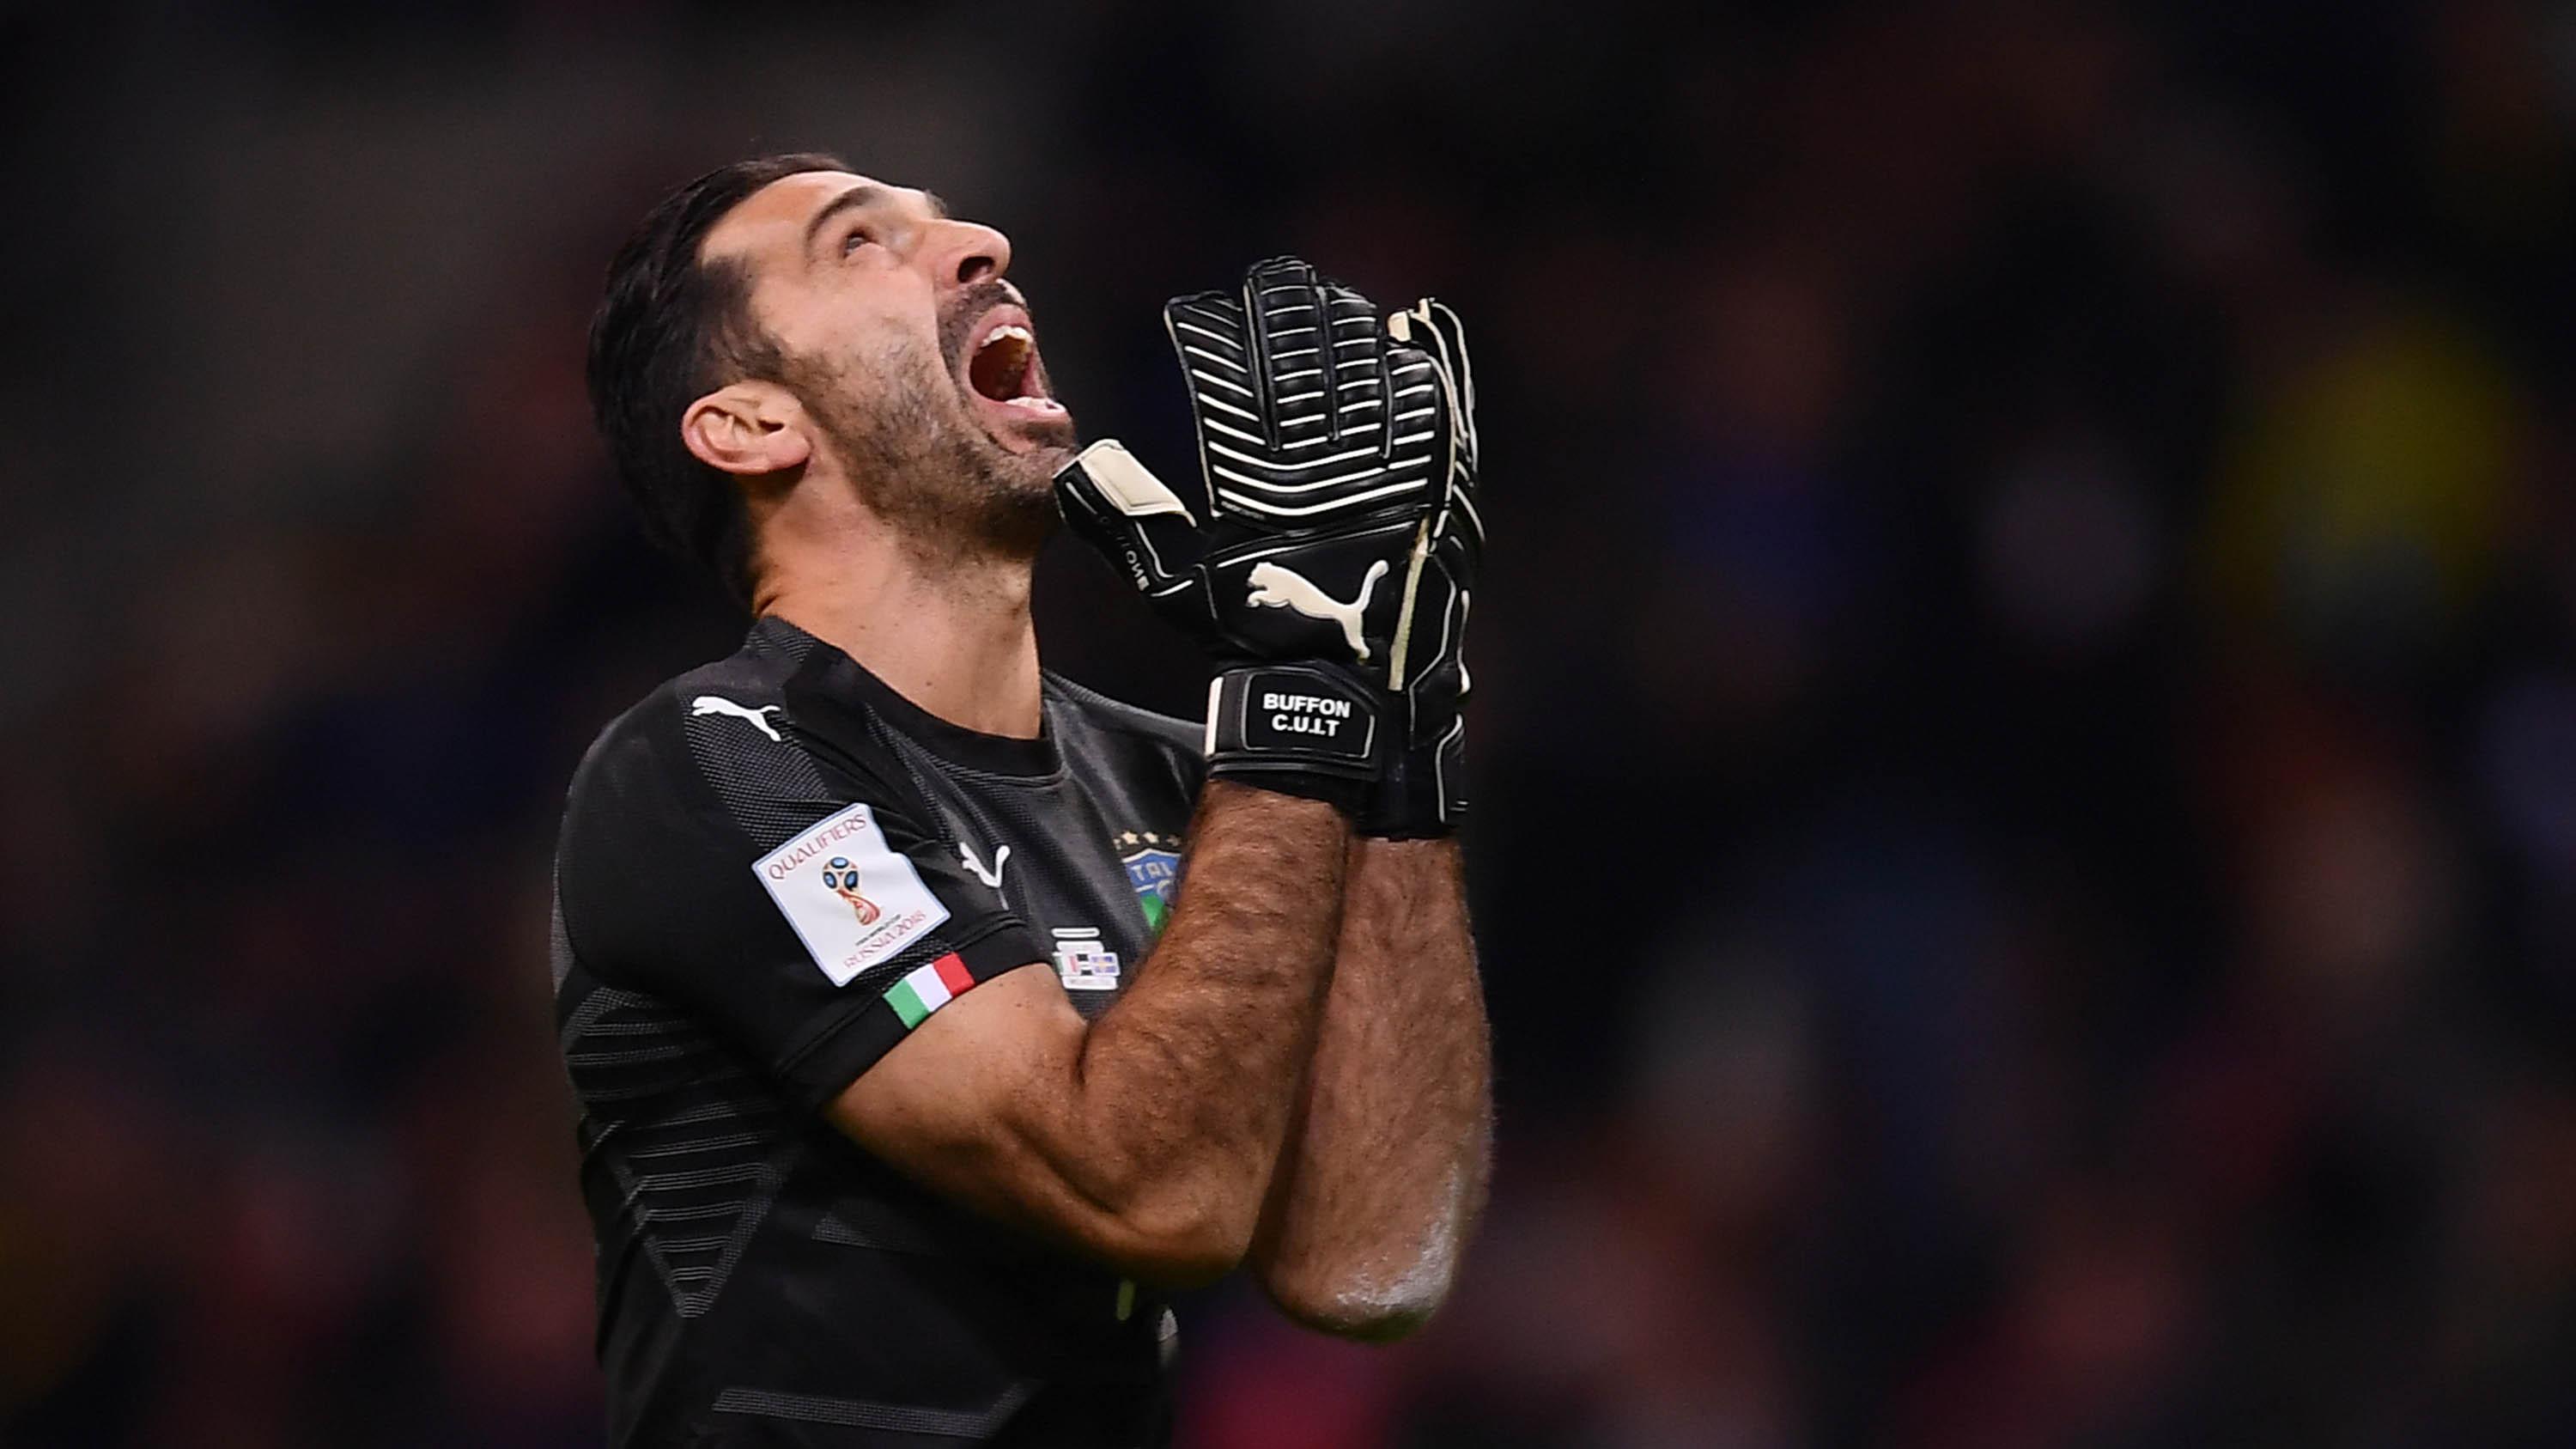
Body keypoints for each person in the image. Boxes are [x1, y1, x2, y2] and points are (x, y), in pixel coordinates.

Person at [556, 150, 1491, 1447]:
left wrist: (1394, 728)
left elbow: (1369, 1262)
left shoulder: (1190, 781)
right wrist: (1294, 695)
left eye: (950, 221)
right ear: (752, 424)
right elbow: (1147, 1193)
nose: (983, 242)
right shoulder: (717, 765)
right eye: (861, 245)